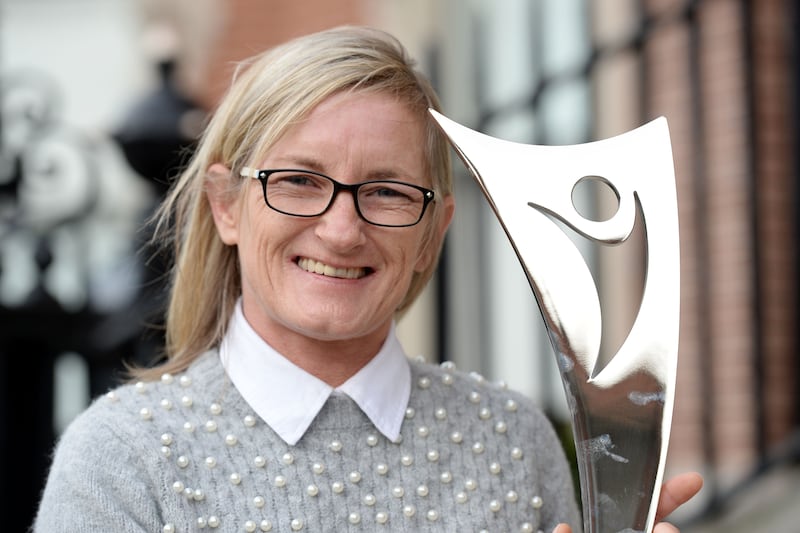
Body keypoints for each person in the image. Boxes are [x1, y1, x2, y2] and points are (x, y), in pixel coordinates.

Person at [34, 25, 701, 532]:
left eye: (386, 191)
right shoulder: (122, 459)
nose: (342, 230)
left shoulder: (515, 440)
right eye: (299, 181)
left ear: (433, 231)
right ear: (227, 205)